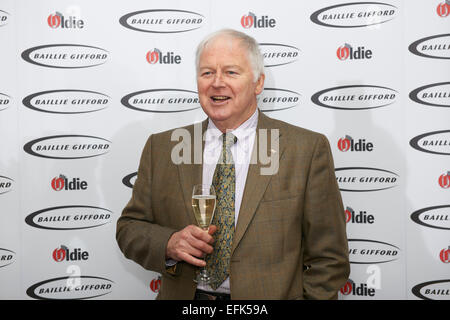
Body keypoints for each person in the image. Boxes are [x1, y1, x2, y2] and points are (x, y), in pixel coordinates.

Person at [116, 29, 350, 300]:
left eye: (231, 72)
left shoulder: (305, 150)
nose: (217, 83)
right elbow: (129, 228)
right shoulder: (163, 148)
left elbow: (330, 258)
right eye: (207, 73)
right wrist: (168, 243)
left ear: (258, 83)